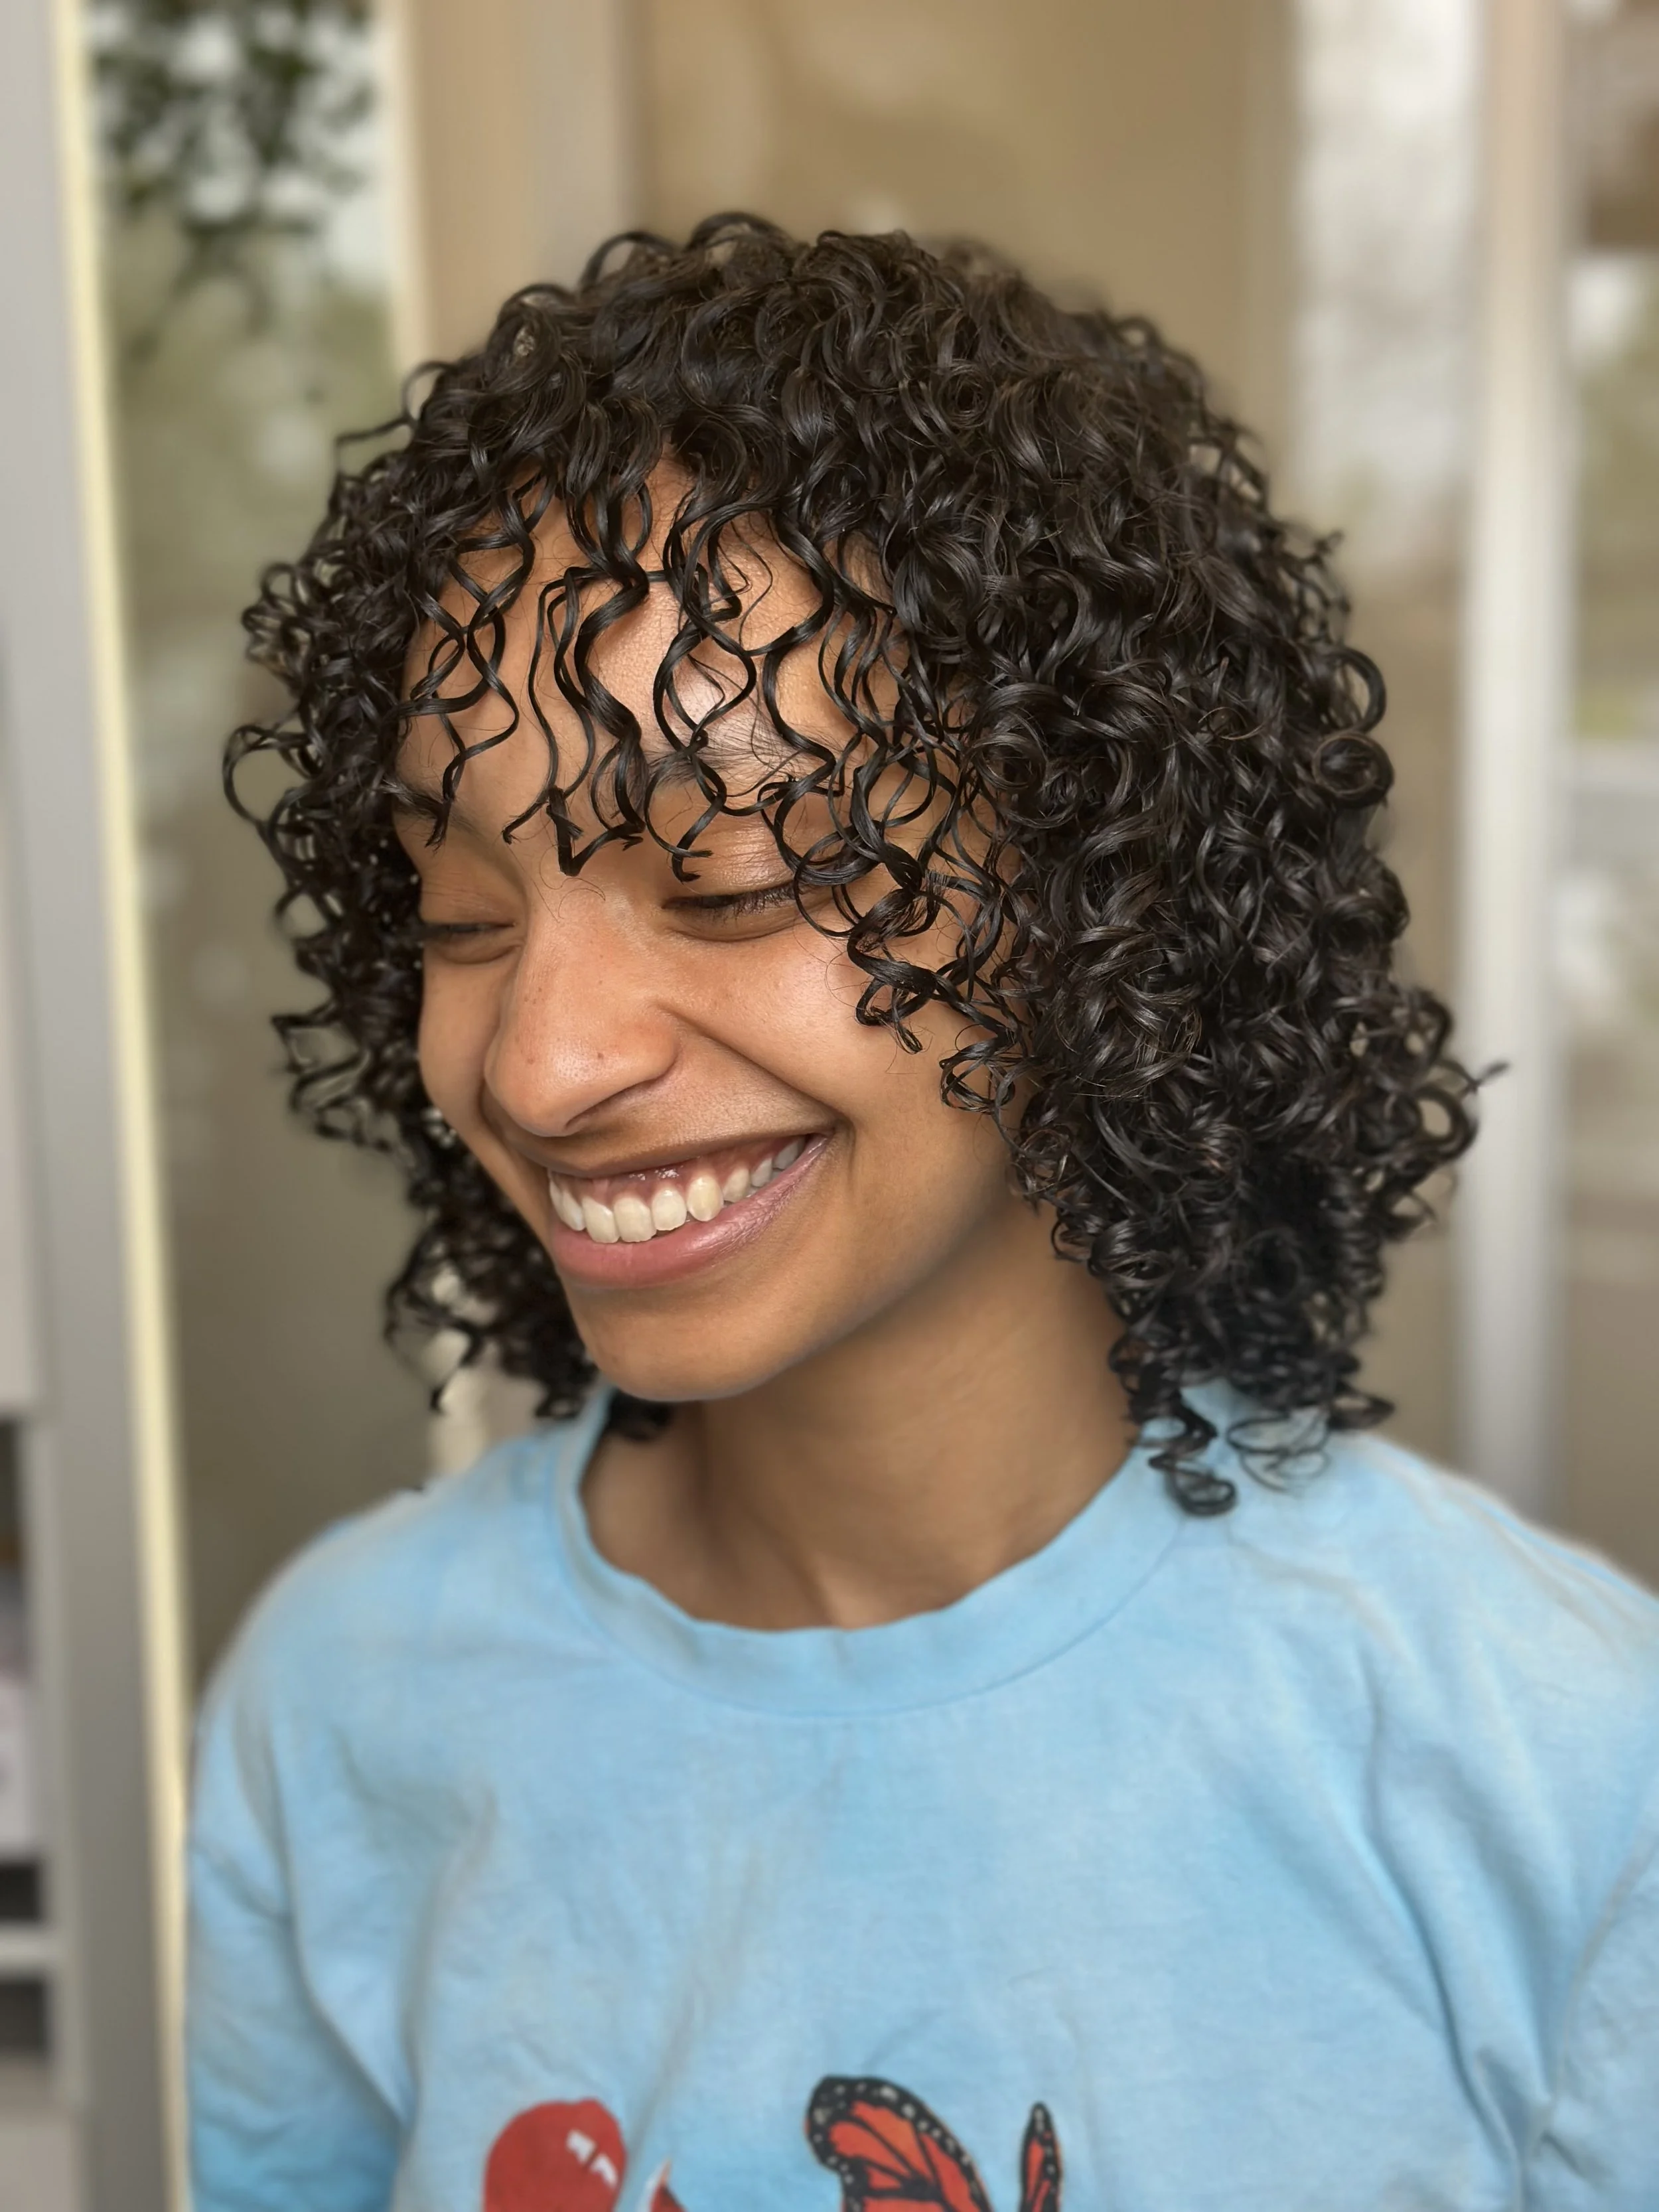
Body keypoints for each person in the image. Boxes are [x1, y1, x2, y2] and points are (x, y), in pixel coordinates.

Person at [190, 217, 1659, 2211]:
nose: (539, 1065)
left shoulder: (1558, 1772)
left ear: (1094, 896)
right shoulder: (349, 1702)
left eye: (717, 871)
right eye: (463, 914)